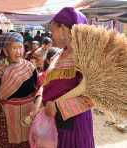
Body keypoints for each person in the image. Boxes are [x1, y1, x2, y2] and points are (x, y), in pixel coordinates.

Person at [43, 7, 95, 148]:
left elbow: (88, 88)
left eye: (53, 30)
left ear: (64, 28)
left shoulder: (84, 54)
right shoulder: (59, 53)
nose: (51, 35)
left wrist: (56, 103)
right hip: (56, 118)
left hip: (74, 120)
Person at [0, 32, 42, 148]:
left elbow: (38, 88)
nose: (19, 52)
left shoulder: (30, 67)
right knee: (9, 142)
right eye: (14, 48)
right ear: (5, 51)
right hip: (7, 114)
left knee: (28, 140)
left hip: (28, 113)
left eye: (21, 47)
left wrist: (35, 109)